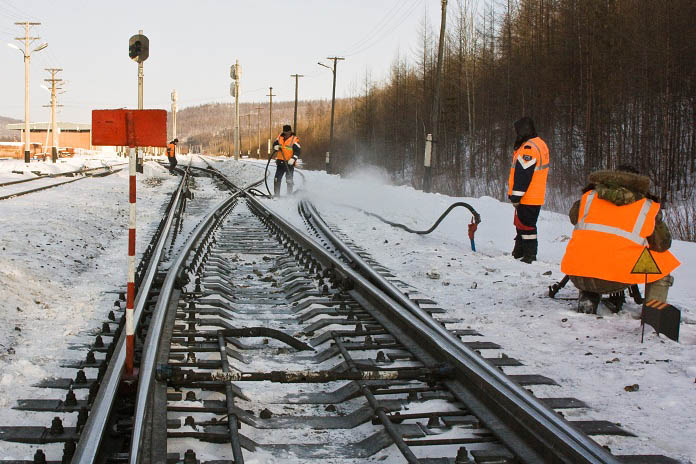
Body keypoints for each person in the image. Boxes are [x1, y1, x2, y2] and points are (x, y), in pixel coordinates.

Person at [560, 166, 680, 314]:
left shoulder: (589, 197)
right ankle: (653, 314)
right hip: (615, 279)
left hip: (578, 274)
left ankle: (588, 296)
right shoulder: (646, 205)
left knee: (592, 241)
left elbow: (574, 219)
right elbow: (663, 244)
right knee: (662, 259)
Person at [507, 117, 550, 263]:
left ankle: (529, 256)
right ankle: (519, 253)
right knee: (523, 226)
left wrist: (516, 196)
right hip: (535, 196)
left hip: (528, 196)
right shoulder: (540, 143)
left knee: (526, 227)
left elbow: (523, 174)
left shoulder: (528, 148)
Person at [272, 124, 301, 196]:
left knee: (289, 180)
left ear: (290, 131)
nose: (286, 134)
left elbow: (298, 151)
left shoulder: (294, 139)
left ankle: (289, 195)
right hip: (280, 163)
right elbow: (274, 144)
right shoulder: (279, 137)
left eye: (287, 132)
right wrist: (275, 147)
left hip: (289, 164)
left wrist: (293, 159)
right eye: (285, 132)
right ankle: (276, 194)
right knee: (277, 179)